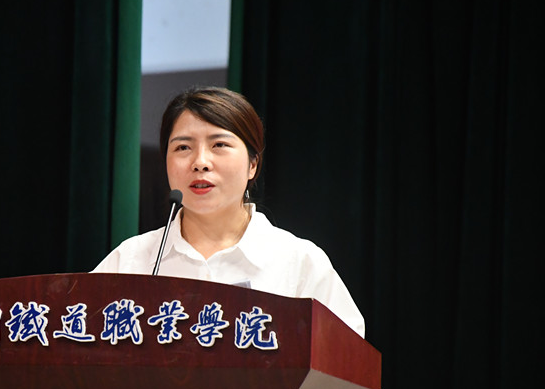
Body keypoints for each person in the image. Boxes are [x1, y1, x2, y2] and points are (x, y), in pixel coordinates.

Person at [93, 86, 365, 339]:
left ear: (252, 164)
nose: (200, 162)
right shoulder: (130, 261)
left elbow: (345, 359)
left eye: (219, 145)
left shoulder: (299, 262)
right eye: (183, 147)